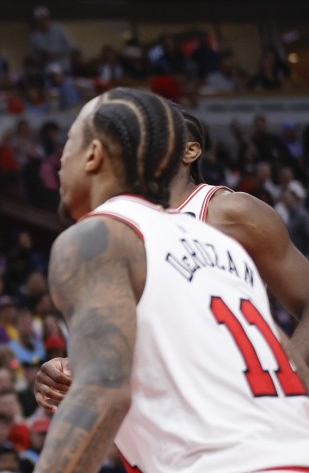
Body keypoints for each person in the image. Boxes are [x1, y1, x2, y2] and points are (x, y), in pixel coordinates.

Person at [18, 88, 309, 473]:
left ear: (94, 155)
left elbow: (105, 394)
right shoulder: (221, 249)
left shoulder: (97, 235)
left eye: (66, 145)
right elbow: (276, 362)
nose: (58, 163)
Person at [35, 111, 309, 408]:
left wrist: (287, 373)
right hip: (163, 420)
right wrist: (65, 369)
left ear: (190, 150)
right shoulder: (112, 231)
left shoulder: (230, 212)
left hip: (240, 408)